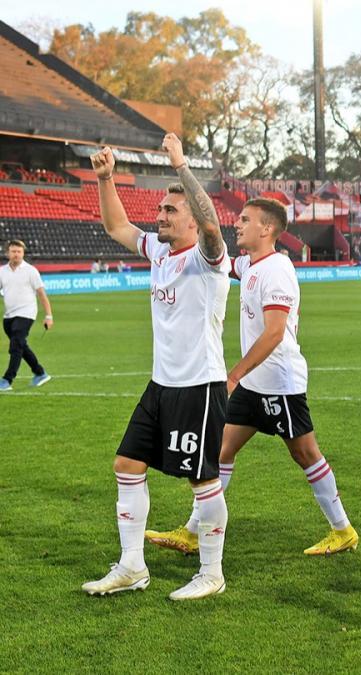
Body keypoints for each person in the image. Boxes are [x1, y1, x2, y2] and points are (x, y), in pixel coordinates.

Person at [144, 197, 359, 558]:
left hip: (278, 381)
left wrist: (234, 375)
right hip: (254, 385)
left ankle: (343, 530)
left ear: (267, 228)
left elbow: (275, 333)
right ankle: (194, 531)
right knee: (221, 449)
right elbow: (219, 258)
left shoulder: (276, 269)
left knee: (305, 454)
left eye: (245, 220)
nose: (238, 224)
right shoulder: (250, 265)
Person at [84, 134, 230, 600]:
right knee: (127, 464)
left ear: (191, 218)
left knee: (201, 479)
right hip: (161, 384)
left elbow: (212, 228)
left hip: (199, 386)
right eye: (162, 209)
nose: (160, 216)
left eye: (171, 211)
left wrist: (183, 166)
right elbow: (117, 227)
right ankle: (132, 566)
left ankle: (211, 572)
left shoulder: (208, 260)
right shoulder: (161, 252)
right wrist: (106, 179)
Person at [0, 239, 53, 391]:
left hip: (26, 313)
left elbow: (42, 294)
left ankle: (7, 379)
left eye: (19, 251)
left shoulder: (31, 271)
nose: (16, 254)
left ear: (23, 253)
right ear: (7, 253)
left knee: (16, 343)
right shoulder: (2, 271)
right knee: (20, 345)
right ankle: (40, 372)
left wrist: (48, 316)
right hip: (9, 316)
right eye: (13, 251)